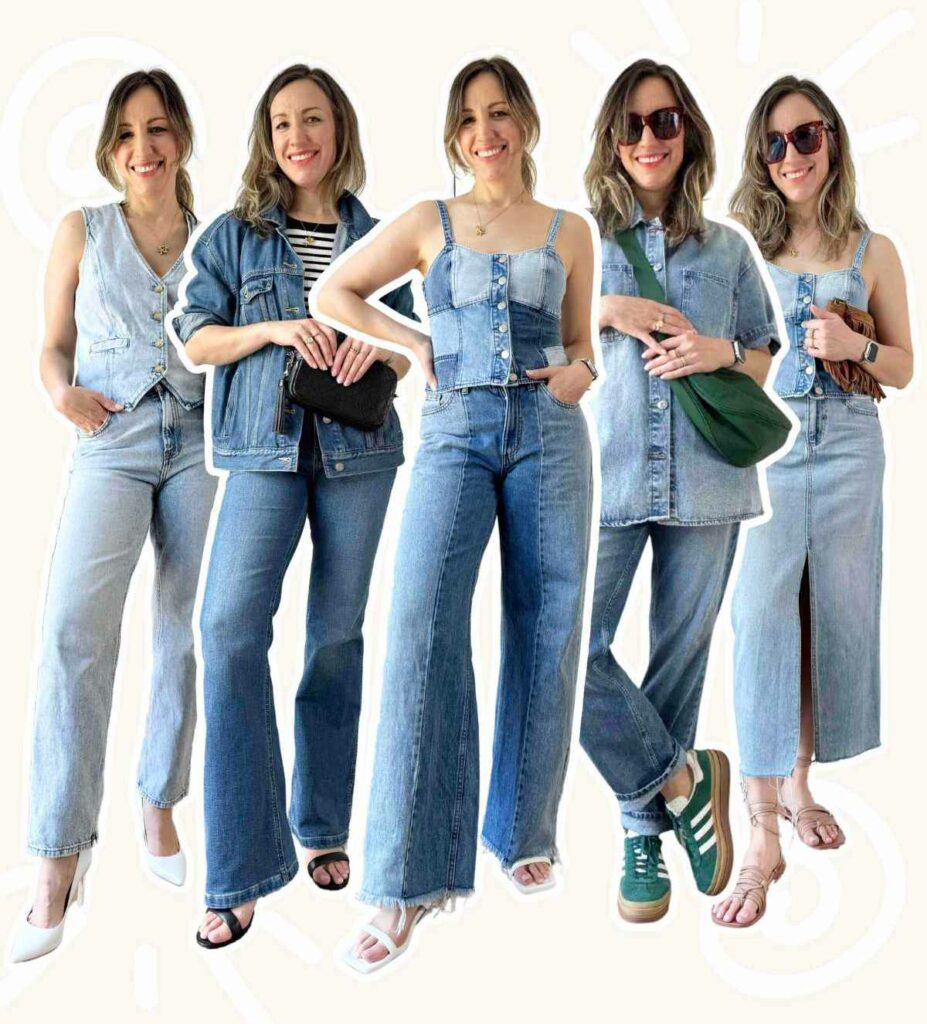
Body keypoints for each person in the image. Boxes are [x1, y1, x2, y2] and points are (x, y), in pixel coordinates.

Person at [317, 56, 595, 971]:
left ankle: (521, 830)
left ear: (526, 124)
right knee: (421, 622)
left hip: (549, 431)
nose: (488, 131)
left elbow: (586, 348)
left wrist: (578, 375)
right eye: (472, 117)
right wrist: (414, 341)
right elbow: (335, 293)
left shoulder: (569, 230)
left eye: (503, 112)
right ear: (453, 134)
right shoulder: (427, 223)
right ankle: (404, 882)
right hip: (455, 430)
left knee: (546, 622)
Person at [171, 64, 414, 950]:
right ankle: (238, 865)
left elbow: (415, 343)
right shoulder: (235, 237)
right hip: (263, 453)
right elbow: (196, 337)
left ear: (339, 129)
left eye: (312, 119)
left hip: (358, 454)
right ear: (266, 140)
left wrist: (373, 355)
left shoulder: (382, 236)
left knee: (336, 637)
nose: (296, 136)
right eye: (281, 123)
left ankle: (322, 824)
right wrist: (276, 331)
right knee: (229, 628)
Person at [11, 69, 216, 963]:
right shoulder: (82, 232)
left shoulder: (218, 242)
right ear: (110, 149)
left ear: (181, 140)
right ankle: (60, 853)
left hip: (204, 442)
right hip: (113, 437)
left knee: (188, 626)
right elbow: (51, 346)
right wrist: (61, 395)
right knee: (71, 632)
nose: (145, 147)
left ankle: (157, 802)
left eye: (160, 128)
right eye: (129, 133)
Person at [577, 59, 779, 925]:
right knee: (564, 653)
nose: (649, 139)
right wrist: (611, 312)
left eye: (664, 122)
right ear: (611, 142)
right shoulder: (576, 239)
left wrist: (715, 352)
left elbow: (767, 351)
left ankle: (639, 837)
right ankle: (681, 781)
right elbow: (534, 330)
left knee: (676, 664)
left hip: (707, 476)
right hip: (606, 473)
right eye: (632, 126)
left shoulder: (727, 245)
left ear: (686, 131)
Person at [714, 76, 913, 929]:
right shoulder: (739, 251)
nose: (790, 156)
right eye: (773, 144)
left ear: (830, 141)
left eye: (805, 138)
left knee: (823, 620)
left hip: (849, 457)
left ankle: (797, 783)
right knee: (760, 621)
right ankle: (761, 832)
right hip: (767, 457)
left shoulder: (876, 251)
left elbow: (903, 367)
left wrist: (855, 340)